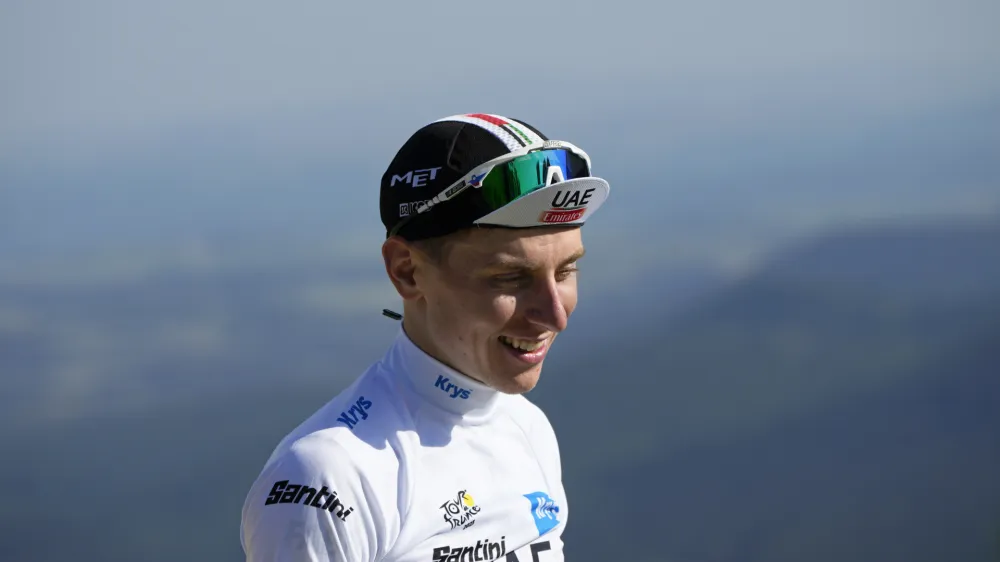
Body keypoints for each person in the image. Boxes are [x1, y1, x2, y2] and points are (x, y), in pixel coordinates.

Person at [240, 113, 611, 561]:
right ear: (407, 271)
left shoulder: (527, 428)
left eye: (567, 270)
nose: (555, 314)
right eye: (511, 277)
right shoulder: (328, 478)